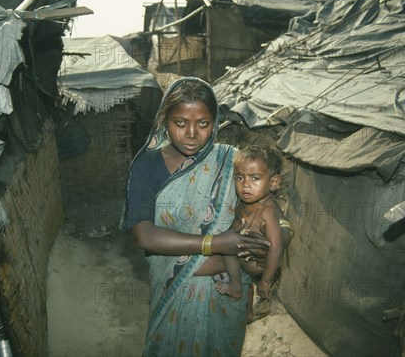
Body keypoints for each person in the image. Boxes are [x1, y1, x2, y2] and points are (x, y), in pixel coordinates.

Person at [120, 77, 290, 357]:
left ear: (215, 123)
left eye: (203, 123)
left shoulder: (231, 162)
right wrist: (217, 243)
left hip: (225, 295)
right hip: (174, 290)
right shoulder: (145, 166)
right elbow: (144, 236)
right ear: (165, 121)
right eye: (180, 123)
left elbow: (270, 210)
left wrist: (277, 238)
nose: (191, 133)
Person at [214, 146, 290, 322]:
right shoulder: (246, 203)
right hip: (246, 260)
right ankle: (244, 304)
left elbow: (276, 248)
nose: (245, 185)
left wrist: (265, 281)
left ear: (273, 182)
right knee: (228, 247)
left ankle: (236, 285)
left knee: (229, 252)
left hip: (261, 266)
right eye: (240, 178)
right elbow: (235, 227)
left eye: (255, 178)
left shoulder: (268, 212)